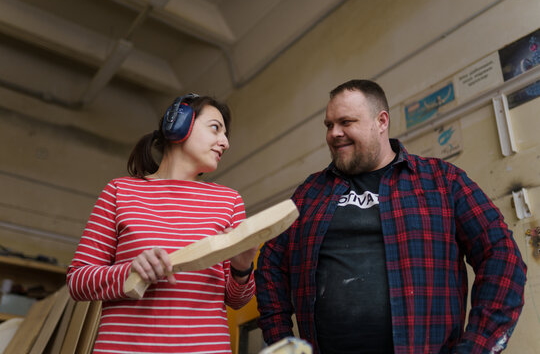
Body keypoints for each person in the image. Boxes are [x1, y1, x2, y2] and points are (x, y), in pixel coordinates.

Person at [255, 80, 527, 354]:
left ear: (381, 121)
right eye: (329, 125)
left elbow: (502, 256)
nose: (334, 134)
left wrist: (474, 348)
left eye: (346, 122)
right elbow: (269, 264)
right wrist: (282, 342)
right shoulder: (309, 194)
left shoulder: (442, 181)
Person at [67, 94, 257, 353]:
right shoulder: (119, 191)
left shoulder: (229, 201)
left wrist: (242, 269)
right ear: (179, 124)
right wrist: (130, 271)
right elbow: (78, 280)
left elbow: (237, 300)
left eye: (226, 135)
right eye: (215, 128)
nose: (224, 142)